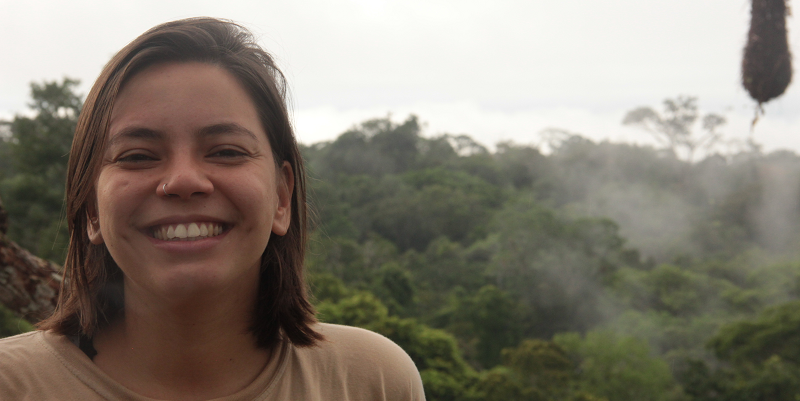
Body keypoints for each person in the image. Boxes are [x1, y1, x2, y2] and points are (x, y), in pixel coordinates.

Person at [0, 17, 425, 400]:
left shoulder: (370, 381)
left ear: (281, 197)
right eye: (137, 156)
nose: (183, 181)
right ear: (91, 209)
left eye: (225, 151)